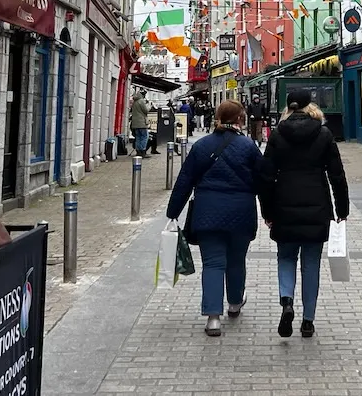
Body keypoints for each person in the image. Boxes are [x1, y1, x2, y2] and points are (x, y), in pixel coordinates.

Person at [165, 99, 264, 337]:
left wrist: (172, 213)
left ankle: (213, 318)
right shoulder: (249, 147)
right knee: (237, 260)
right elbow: (264, 182)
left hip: (207, 212)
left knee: (213, 263)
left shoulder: (201, 146)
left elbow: (184, 182)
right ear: (240, 119)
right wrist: (270, 213)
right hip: (241, 212)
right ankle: (234, 303)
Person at [257, 101, 349, 339]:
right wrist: (342, 208)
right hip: (317, 205)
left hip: (284, 205)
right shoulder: (324, 134)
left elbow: (266, 177)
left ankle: (287, 301)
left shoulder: (278, 135)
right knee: (311, 264)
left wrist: (267, 212)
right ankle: (308, 320)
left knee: (286, 257)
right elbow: (337, 174)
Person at [129, 91, 151, 156]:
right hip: (142, 123)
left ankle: (138, 151)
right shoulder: (141, 101)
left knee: (138, 137)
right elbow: (146, 110)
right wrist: (149, 106)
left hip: (135, 123)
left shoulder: (135, 101)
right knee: (144, 137)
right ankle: (143, 151)